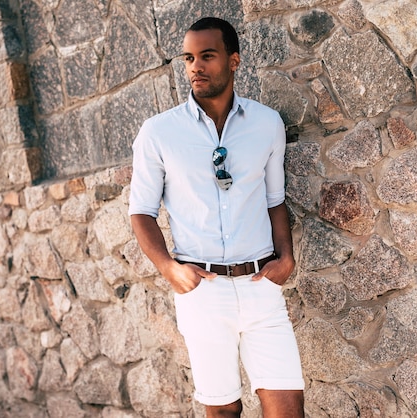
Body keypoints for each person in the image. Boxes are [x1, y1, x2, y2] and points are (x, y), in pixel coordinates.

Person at [128, 17, 304, 418]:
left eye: (207, 55)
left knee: (288, 407)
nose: (195, 66)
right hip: (203, 292)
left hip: (262, 287)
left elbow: (275, 199)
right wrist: (168, 268)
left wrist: (286, 257)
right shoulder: (159, 132)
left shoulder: (266, 123)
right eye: (189, 57)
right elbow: (141, 211)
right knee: (223, 410)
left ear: (234, 60)